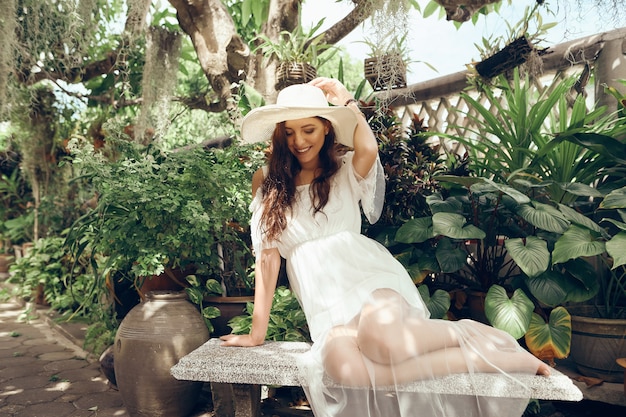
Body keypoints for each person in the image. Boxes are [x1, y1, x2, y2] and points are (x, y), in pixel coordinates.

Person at [221, 77, 551, 417]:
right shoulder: (268, 182)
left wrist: (348, 102)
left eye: (308, 130)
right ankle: (476, 356)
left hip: (370, 285)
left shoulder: (344, 169)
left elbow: (369, 149)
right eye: (289, 132)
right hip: (330, 316)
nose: (298, 141)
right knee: (347, 373)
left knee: (383, 343)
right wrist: (256, 334)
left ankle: (478, 339)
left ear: (326, 129)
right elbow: (268, 257)